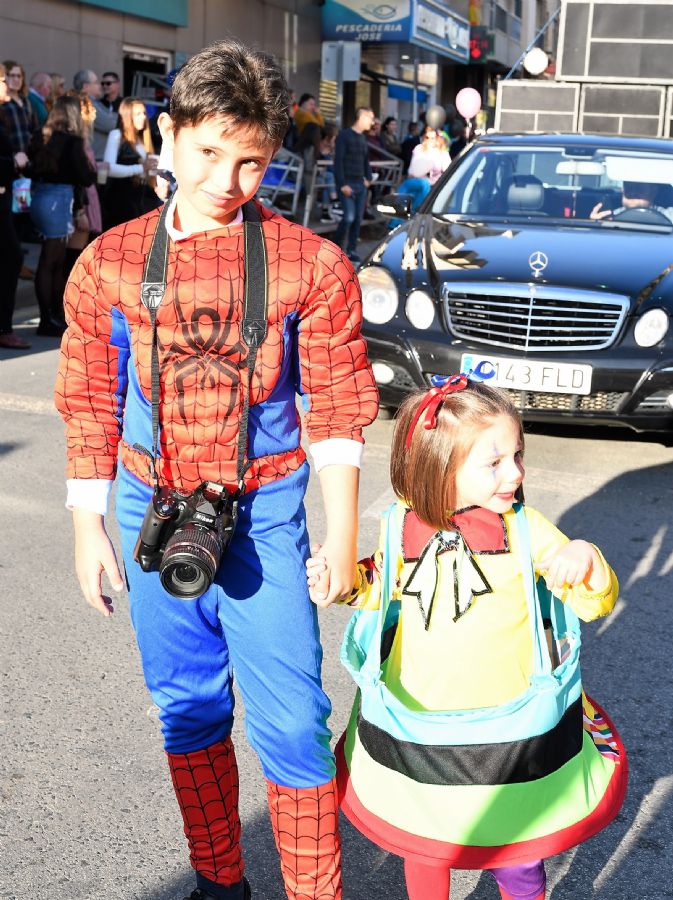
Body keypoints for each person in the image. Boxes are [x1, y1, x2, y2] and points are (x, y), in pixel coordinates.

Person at [54, 38, 379, 900]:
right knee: (188, 707)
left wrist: (341, 534)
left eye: (251, 163)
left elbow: (339, 405)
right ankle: (217, 881)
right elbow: (88, 396)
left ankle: (314, 892)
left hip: (267, 511)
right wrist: (88, 523)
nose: (225, 181)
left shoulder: (312, 264)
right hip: (147, 502)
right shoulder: (110, 262)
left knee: (294, 722)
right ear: (167, 135)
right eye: (207, 152)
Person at [307, 372, 627, 900]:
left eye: (518, 456)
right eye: (495, 462)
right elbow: (377, 586)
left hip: (509, 730)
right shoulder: (399, 528)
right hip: (420, 730)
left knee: (516, 849)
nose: (515, 474)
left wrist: (585, 558)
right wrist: (339, 585)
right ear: (440, 470)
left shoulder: (528, 530)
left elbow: (595, 603)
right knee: (426, 850)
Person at [28, 94, 95, 335]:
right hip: (58, 201)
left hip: (41, 197)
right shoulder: (72, 141)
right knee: (51, 261)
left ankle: (51, 315)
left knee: (51, 260)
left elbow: (30, 169)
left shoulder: (40, 136)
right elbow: (86, 178)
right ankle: (48, 319)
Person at [0, 62, 30, 349]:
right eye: (3, 79)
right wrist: (12, 162)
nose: (8, 83)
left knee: (11, 256)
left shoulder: (11, 111)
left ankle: (5, 326)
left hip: (9, 191)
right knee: (11, 256)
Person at [101, 96, 160, 228]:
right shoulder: (117, 135)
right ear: (127, 116)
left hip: (141, 199)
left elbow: (147, 170)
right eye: (137, 114)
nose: (143, 117)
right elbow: (108, 168)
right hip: (119, 200)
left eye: (144, 113)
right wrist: (140, 168)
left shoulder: (143, 140)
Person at [62, 89, 102, 280]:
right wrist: (80, 212)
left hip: (87, 198)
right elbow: (77, 177)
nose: (93, 115)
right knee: (74, 259)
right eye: (90, 111)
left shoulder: (83, 141)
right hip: (81, 201)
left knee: (80, 256)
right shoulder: (75, 142)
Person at [333, 106, 375, 264]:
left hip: (360, 183)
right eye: (370, 118)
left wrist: (368, 178)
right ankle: (335, 248)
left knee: (357, 219)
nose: (372, 122)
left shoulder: (363, 138)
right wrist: (342, 184)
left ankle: (351, 250)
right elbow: (338, 161)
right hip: (347, 183)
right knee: (349, 217)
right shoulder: (344, 135)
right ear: (362, 117)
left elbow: (365, 160)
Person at [73, 68, 117, 160]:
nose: (100, 86)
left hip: (95, 158)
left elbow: (112, 118)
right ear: (86, 86)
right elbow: (110, 124)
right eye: (96, 82)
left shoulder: (93, 102)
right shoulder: (85, 103)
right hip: (93, 160)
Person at [590, 180, 673, 222]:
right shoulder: (610, 216)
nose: (632, 192)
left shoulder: (669, 216)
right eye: (628, 187)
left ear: (653, 191)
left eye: (639, 187)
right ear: (622, 190)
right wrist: (596, 226)